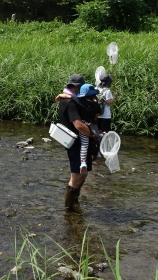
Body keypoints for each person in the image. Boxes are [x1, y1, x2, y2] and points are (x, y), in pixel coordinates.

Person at [57, 74, 97, 211]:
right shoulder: (71, 103)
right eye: (80, 88)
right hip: (76, 143)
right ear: (75, 87)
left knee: (82, 173)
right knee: (76, 176)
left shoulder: (66, 99)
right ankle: (69, 208)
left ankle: (74, 201)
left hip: (74, 141)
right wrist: (94, 135)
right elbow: (78, 125)